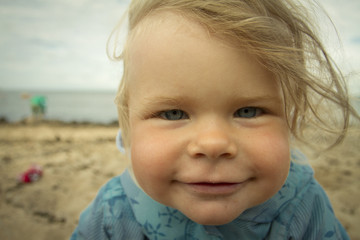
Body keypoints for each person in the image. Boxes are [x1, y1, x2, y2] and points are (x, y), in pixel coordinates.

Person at [71, 0, 359, 239]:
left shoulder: (303, 207)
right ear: (128, 128)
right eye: (173, 113)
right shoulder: (111, 216)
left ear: (290, 120)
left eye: (248, 111)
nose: (213, 144)